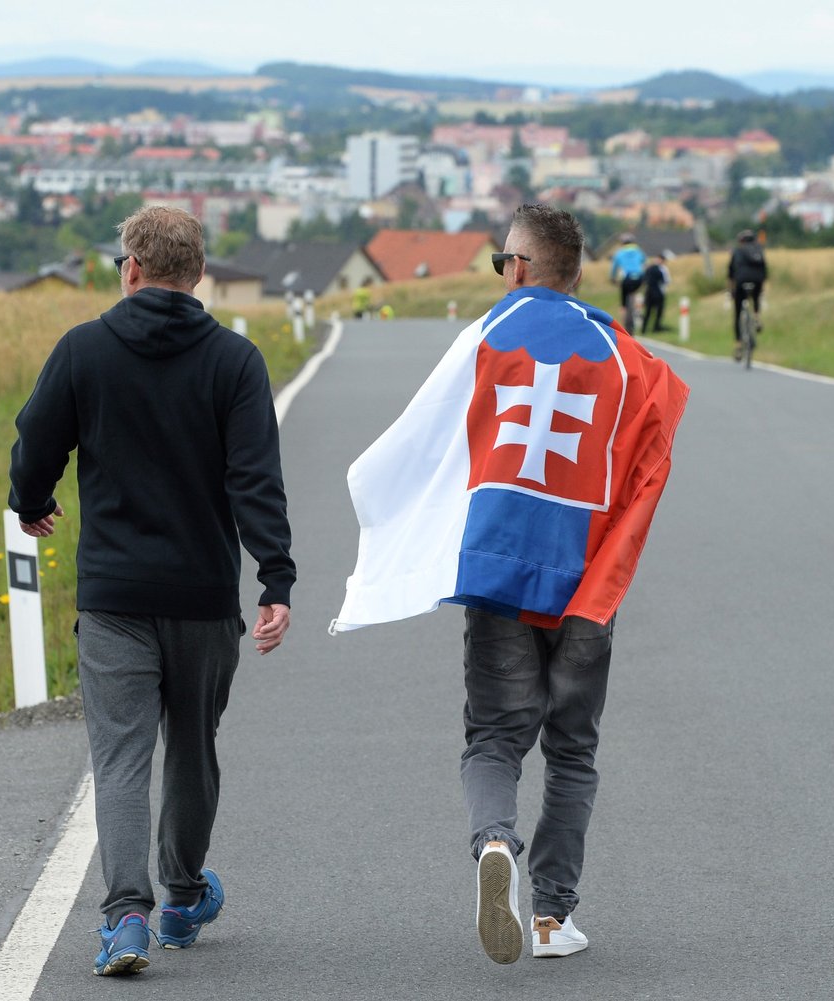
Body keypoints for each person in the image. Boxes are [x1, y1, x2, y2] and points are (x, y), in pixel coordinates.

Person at [332, 204, 688, 965]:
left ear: (519, 268)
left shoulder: (487, 335)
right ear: (579, 272)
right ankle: (554, 918)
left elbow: (428, 439)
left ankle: (495, 841)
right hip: (586, 583)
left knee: (495, 736)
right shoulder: (628, 358)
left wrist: (395, 526)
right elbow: (647, 470)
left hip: (499, 576)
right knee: (573, 749)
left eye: (502, 264)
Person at [8, 205, 295, 977]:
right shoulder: (236, 362)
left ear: (129, 267)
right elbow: (255, 480)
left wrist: (30, 500)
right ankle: (182, 895)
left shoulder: (84, 351)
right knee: (193, 752)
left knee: (123, 757)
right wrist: (275, 574)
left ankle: (125, 918)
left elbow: (37, 439)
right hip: (203, 595)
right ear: (198, 274)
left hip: (113, 597)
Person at [728, 229, 767, 360]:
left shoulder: (737, 251)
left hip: (741, 282)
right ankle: (756, 317)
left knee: (738, 313)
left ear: (741, 241)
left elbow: (731, 272)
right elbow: (764, 269)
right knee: (756, 297)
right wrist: (761, 286)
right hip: (757, 281)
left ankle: (738, 345)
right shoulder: (759, 250)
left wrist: (731, 291)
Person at [608, 232, 646, 332]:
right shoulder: (638, 251)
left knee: (624, 303)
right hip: (639, 278)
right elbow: (643, 262)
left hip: (627, 279)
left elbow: (614, 269)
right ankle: (637, 310)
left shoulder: (619, 253)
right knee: (635, 293)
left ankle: (624, 327)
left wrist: (612, 278)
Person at [642, 253, 671, 332]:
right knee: (656, 311)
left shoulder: (649, 268)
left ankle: (645, 328)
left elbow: (644, 280)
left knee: (648, 311)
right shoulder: (661, 270)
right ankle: (655, 327)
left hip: (649, 292)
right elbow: (665, 281)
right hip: (658, 292)